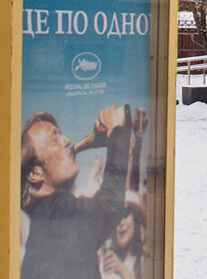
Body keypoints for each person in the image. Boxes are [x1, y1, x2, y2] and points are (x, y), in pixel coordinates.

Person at [19, 105, 132, 279]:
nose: (66, 140)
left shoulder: (43, 219)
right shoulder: (56, 209)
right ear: (35, 173)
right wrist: (117, 134)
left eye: (60, 134)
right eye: (53, 139)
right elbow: (108, 207)